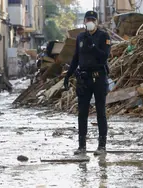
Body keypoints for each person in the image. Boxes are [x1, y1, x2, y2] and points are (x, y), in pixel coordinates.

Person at [63, 11, 111, 156]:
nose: (89, 22)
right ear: (84, 21)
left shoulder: (103, 36)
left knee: (100, 112)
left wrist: (93, 46)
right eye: (87, 19)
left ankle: (102, 146)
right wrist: (68, 75)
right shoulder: (80, 37)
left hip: (99, 77)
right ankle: (81, 146)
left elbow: (104, 57)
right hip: (84, 78)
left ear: (96, 22)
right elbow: (76, 58)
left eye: (92, 19)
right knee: (82, 113)